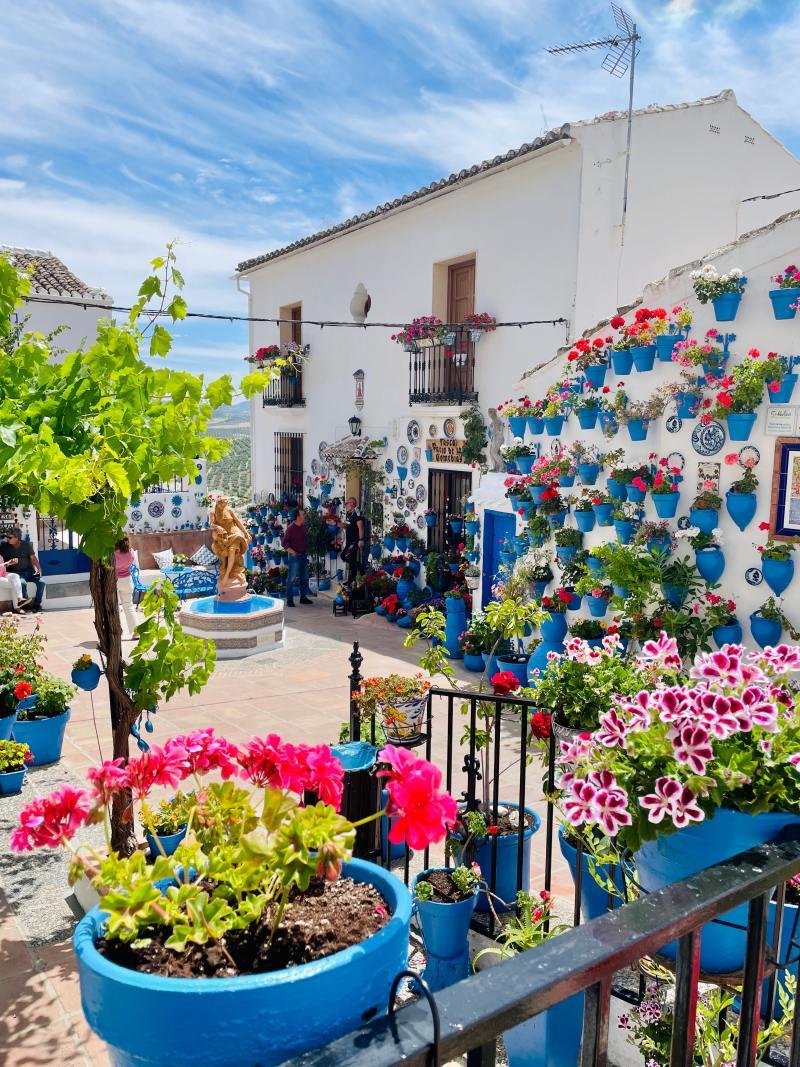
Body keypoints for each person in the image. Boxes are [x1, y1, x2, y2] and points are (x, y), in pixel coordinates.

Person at [0, 529, 45, 611]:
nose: (7, 539)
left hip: (29, 572)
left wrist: (39, 568)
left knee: (42, 582)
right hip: (16, 573)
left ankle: (37, 605)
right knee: (22, 583)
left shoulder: (26, 545)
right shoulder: (4, 547)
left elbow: (33, 558)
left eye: (10, 537)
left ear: (17, 538)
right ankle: (26, 605)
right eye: (7, 537)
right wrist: (8, 563)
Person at [282, 508, 312, 607]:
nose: (304, 516)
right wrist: (292, 552)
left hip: (303, 555)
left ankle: (303, 597)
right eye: (303, 514)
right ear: (298, 517)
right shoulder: (290, 528)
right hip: (295, 556)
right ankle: (289, 599)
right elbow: (284, 543)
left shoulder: (304, 527)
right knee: (292, 578)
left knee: (304, 577)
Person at [114, 537, 138, 637]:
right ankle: (136, 632)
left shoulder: (113, 554)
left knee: (114, 607)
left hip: (115, 580)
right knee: (129, 607)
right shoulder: (131, 552)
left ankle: (117, 632)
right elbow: (133, 563)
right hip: (127, 581)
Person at [342, 497, 366, 586]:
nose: (346, 505)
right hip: (349, 541)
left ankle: (359, 569)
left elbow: (361, 527)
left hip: (354, 541)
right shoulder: (349, 513)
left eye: (347, 503)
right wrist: (340, 525)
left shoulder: (357, 513)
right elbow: (349, 525)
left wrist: (361, 540)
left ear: (352, 503)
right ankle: (354, 577)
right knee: (349, 559)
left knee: (346, 557)